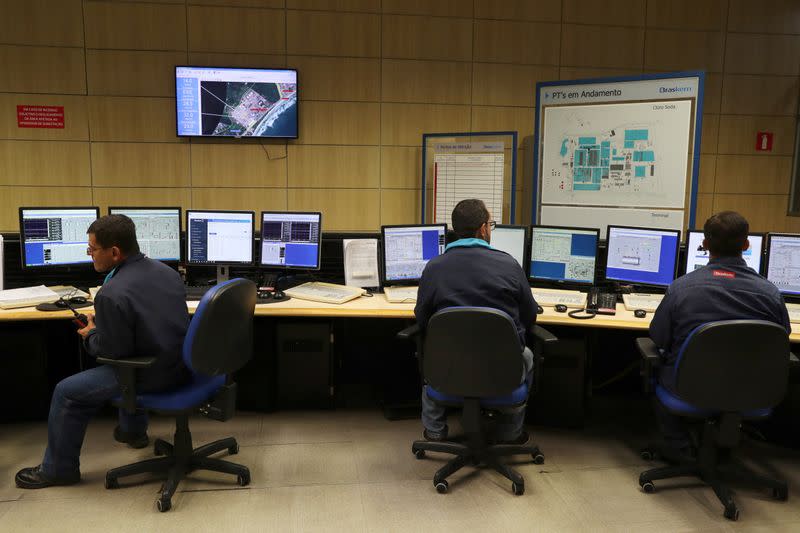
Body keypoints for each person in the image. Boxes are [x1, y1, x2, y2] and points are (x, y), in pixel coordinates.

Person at [16, 215, 191, 489]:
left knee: (66, 391)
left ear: (114, 252)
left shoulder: (111, 293)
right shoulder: (165, 272)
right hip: (179, 363)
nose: (90, 255)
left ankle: (58, 469)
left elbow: (115, 352)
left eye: (92, 249)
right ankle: (134, 433)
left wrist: (91, 335)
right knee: (132, 359)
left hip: (148, 373)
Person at [649, 211, 791, 455]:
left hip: (688, 388)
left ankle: (679, 447)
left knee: (653, 366)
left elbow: (659, 337)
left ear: (704, 244)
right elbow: (781, 337)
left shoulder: (680, 289)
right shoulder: (770, 294)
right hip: (753, 390)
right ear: (746, 245)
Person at [414, 199, 538, 443]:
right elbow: (530, 315)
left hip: (448, 369)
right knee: (530, 356)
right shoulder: (510, 265)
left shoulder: (434, 267)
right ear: (483, 229)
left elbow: (422, 318)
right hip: (502, 370)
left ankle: (435, 431)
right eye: (490, 224)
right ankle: (510, 432)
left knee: (432, 355)